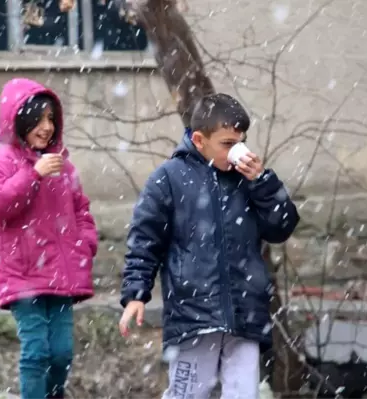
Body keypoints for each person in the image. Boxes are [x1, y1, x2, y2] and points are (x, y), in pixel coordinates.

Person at [118, 93, 299, 399]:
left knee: (244, 393)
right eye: (227, 144)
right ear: (199, 140)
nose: (236, 151)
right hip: (193, 314)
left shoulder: (249, 181)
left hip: (245, 312)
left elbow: (282, 226)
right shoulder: (168, 179)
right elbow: (145, 241)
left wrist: (263, 182)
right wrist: (136, 293)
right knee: (188, 392)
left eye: (240, 141)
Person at [0, 78, 97, 399]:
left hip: (62, 275)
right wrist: (33, 174)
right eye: (38, 119)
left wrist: (85, 245)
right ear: (18, 120)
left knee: (61, 354)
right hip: (22, 275)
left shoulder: (65, 167)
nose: (46, 127)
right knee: (36, 353)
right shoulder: (1, 163)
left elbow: (81, 211)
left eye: (51, 119)